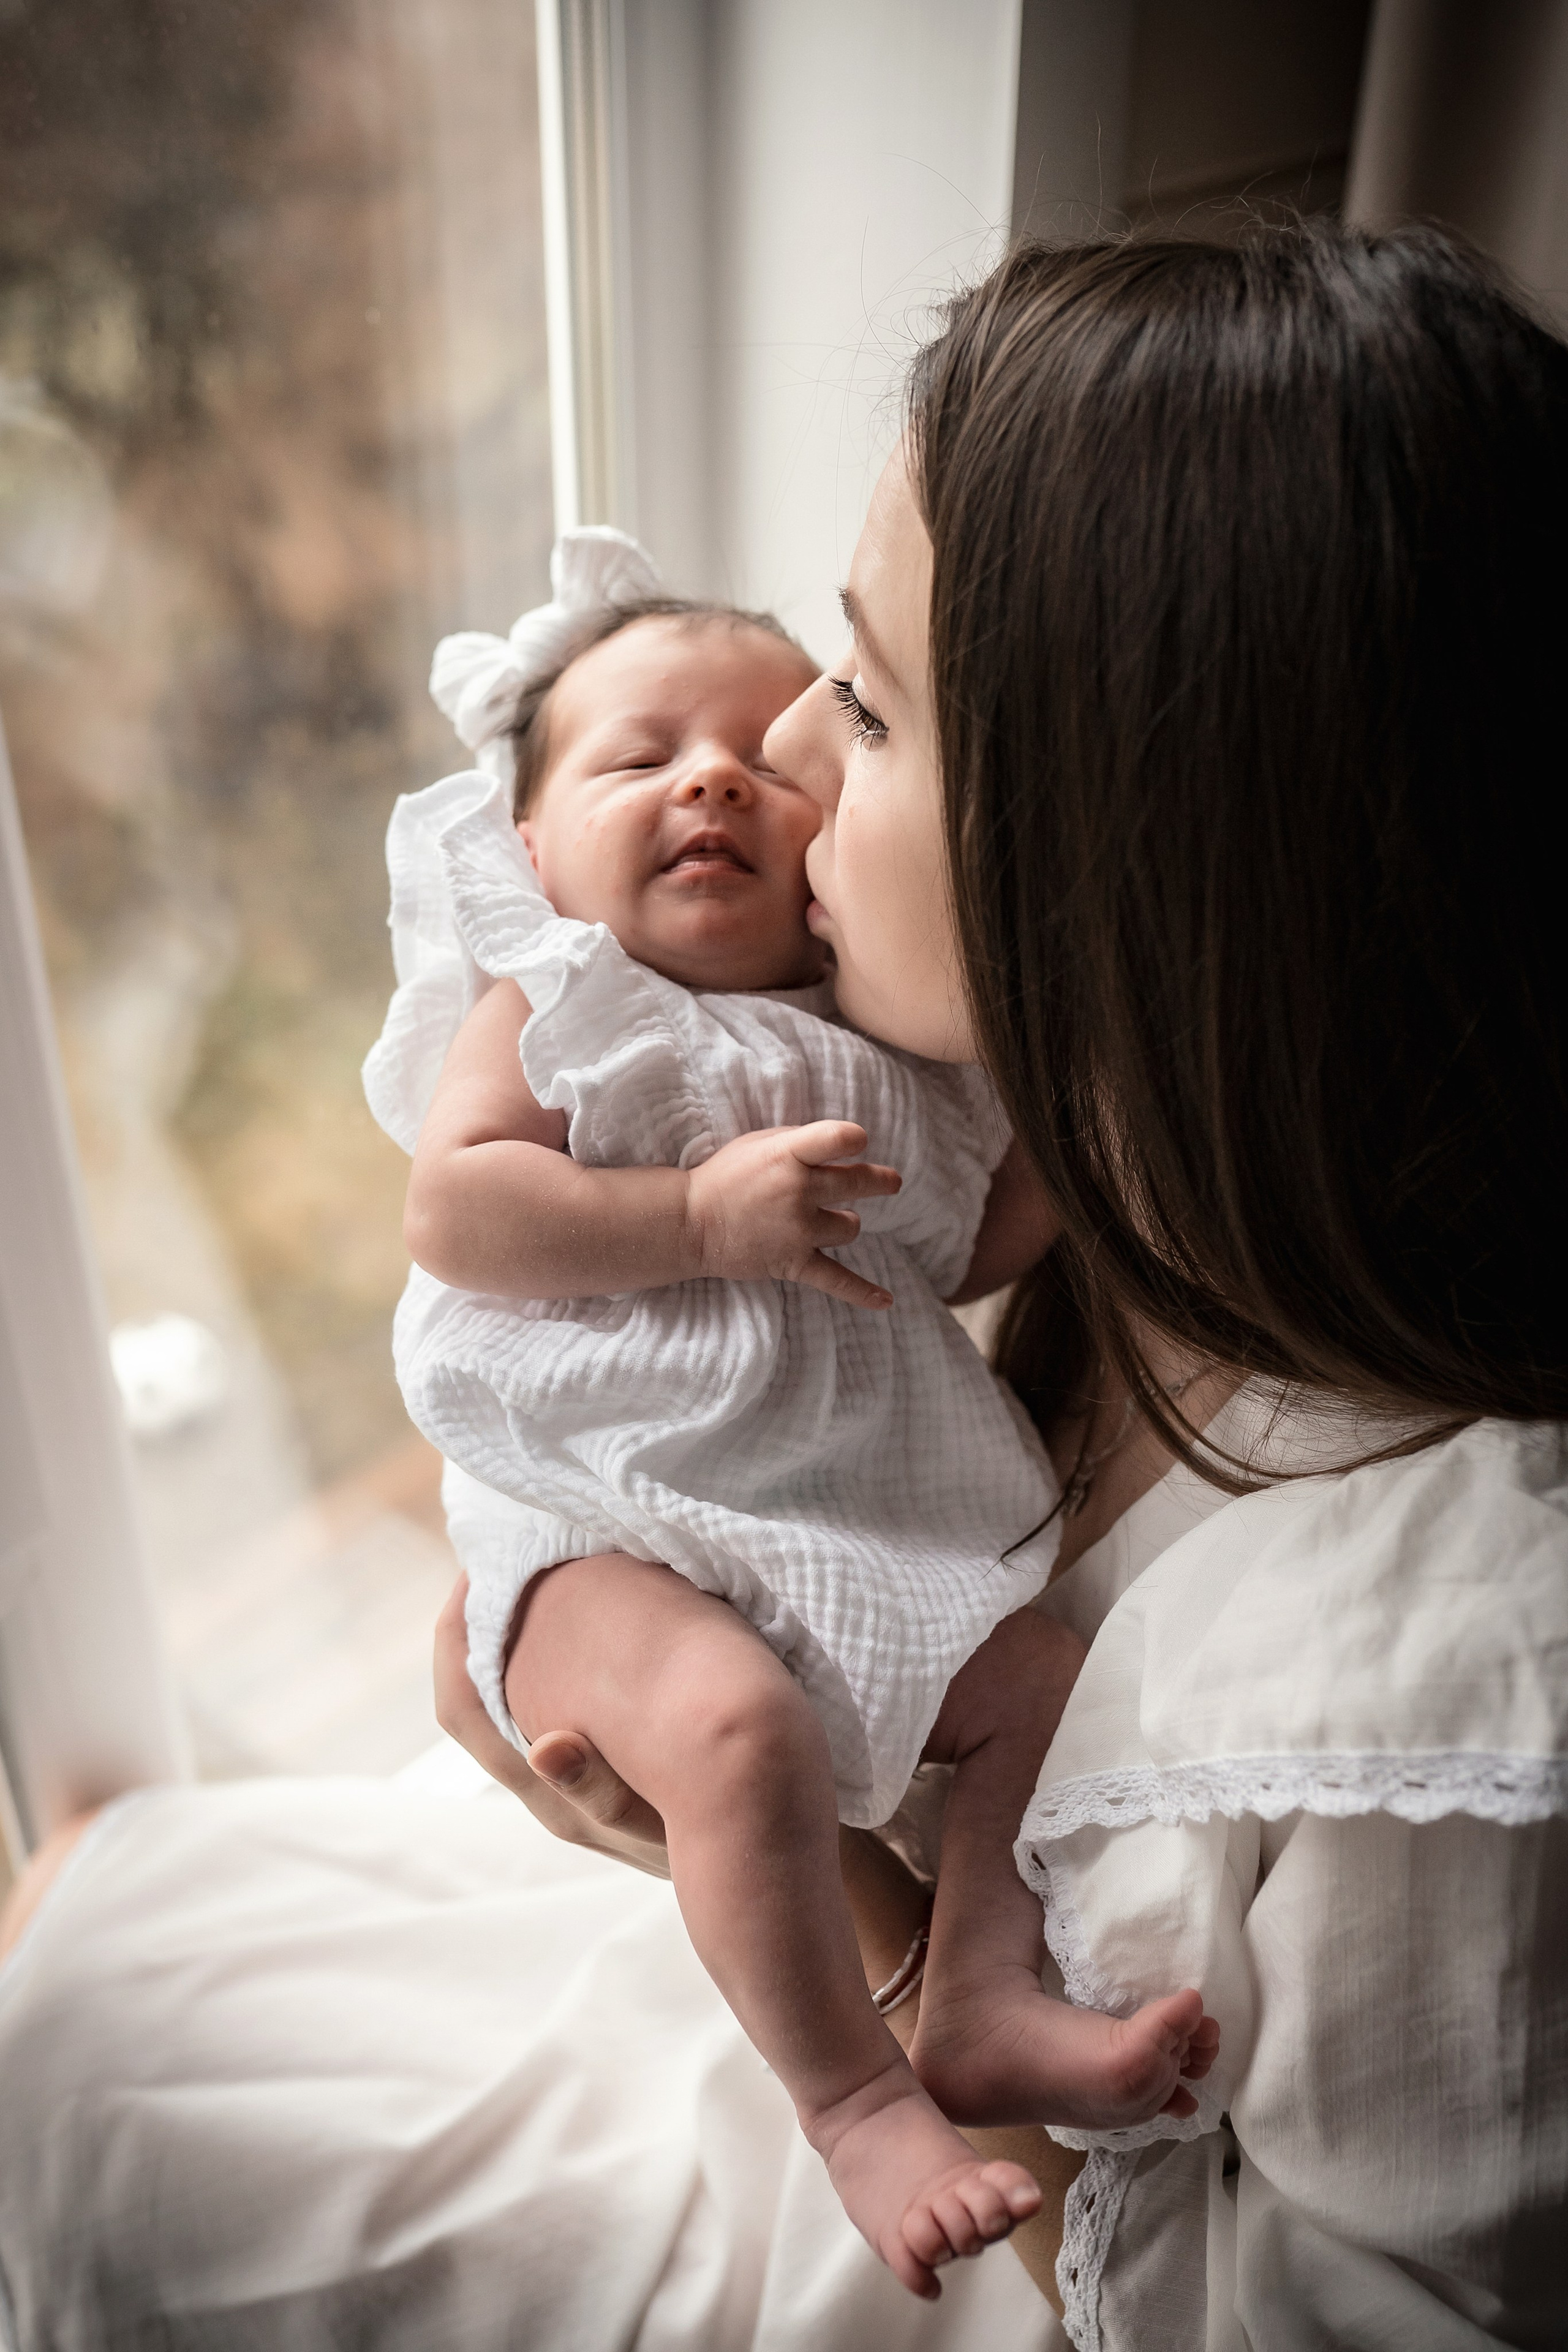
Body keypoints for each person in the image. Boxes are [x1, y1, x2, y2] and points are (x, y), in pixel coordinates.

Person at [1, 217, 1563, 2351]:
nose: (786, 761)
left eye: (871, 703)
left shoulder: (1453, 1711)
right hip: (820, 1816)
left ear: (1133, 872)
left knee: (130, 2136)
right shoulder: (1091, 1161)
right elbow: (510, 1230)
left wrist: (829, 1897)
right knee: (96, 2025)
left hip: (956, 2149)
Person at [366, 539, 1215, 2293]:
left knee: (1034, 1690)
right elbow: (456, 1212)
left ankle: (980, 1989)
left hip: (834, 1518)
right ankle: (856, 2107)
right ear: (530, 856)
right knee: (738, 1734)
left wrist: (1067, 1137)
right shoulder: (566, 1009)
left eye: (769, 753)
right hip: (606, 1527)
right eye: (637, 756)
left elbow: (955, 1247)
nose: (713, 777)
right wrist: (690, 1218)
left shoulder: (888, 1048)